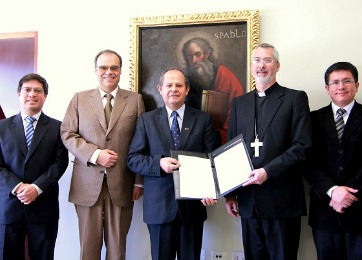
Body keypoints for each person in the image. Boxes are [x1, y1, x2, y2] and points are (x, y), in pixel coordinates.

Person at [224, 43, 312, 260]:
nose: (261, 66)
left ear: (277, 66)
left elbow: (303, 146)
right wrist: (230, 193)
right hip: (248, 201)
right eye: (257, 60)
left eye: (267, 60)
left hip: (282, 200)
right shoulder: (239, 103)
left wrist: (268, 171)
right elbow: (230, 149)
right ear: (251, 65)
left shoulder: (295, 99)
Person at [60, 49, 145, 260]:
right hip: (86, 184)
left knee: (117, 250)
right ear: (95, 70)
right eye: (104, 68)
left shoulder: (135, 100)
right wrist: (95, 154)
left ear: (121, 71)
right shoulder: (79, 99)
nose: (109, 72)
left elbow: (142, 142)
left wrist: (139, 182)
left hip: (123, 184)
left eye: (114, 67)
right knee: (88, 249)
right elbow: (67, 133)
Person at [127, 67, 217, 260]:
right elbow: (133, 159)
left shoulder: (203, 120)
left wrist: (211, 191)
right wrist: (159, 163)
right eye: (169, 85)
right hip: (159, 208)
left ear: (187, 90)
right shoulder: (147, 120)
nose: (173, 89)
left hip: (193, 207)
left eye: (179, 85)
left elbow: (213, 160)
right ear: (160, 89)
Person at [304, 62, 362, 260]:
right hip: (324, 211)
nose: (341, 86)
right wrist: (333, 191)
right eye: (335, 82)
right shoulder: (311, 119)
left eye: (347, 81)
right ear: (327, 89)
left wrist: (347, 193)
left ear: (357, 85)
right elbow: (307, 160)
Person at [0, 73, 69, 260]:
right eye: (27, 90)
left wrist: (36, 188)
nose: (32, 94)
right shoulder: (2, 127)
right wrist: (18, 187)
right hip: (9, 208)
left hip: (43, 207)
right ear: (18, 94)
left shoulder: (58, 128)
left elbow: (60, 162)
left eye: (38, 90)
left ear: (45, 96)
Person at [182, 37, 244, 144]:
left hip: (218, 135)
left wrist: (223, 132)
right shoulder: (183, 78)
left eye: (198, 54)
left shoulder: (224, 74)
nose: (194, 61)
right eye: (189, 56)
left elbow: (238, 105)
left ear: (207, 54)